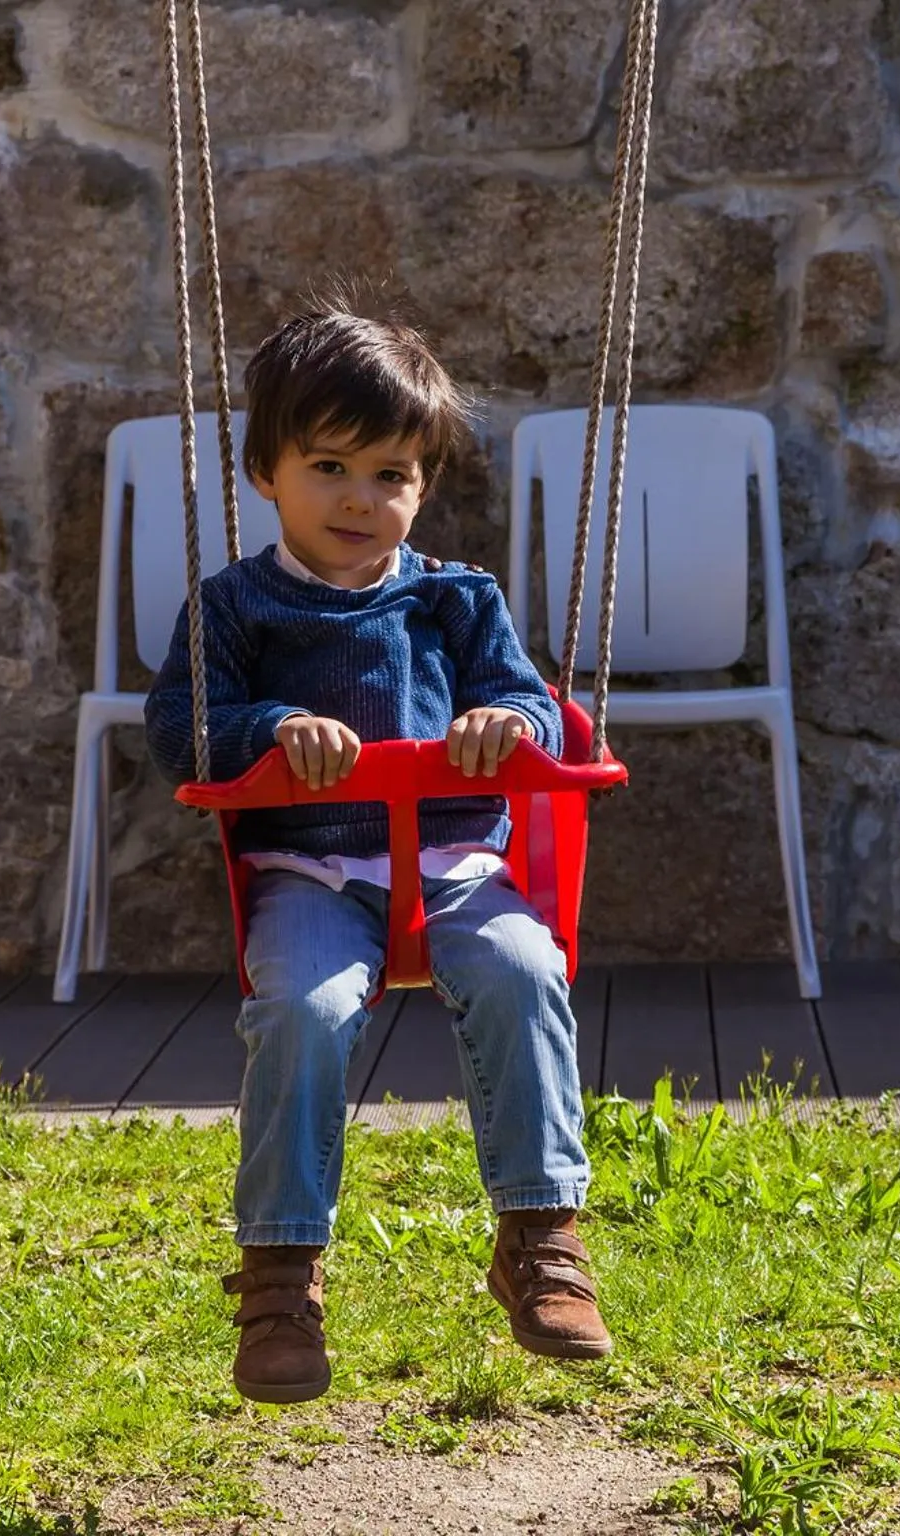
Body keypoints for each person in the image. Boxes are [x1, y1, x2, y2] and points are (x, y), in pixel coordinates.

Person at [144, 298, 610, 1404]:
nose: (362, 499)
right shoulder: (235, 606)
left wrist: (514, 727)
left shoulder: (456, 599)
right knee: (298, 1010)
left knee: (524, 971)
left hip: (454, 870)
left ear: (422, 484)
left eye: (392, 474)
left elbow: (526, 702)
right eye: (330, 466)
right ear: (266, 471)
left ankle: (541, 1237)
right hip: (310, 872)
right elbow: (182, 725)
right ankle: (279, 1277)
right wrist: (267, 732)